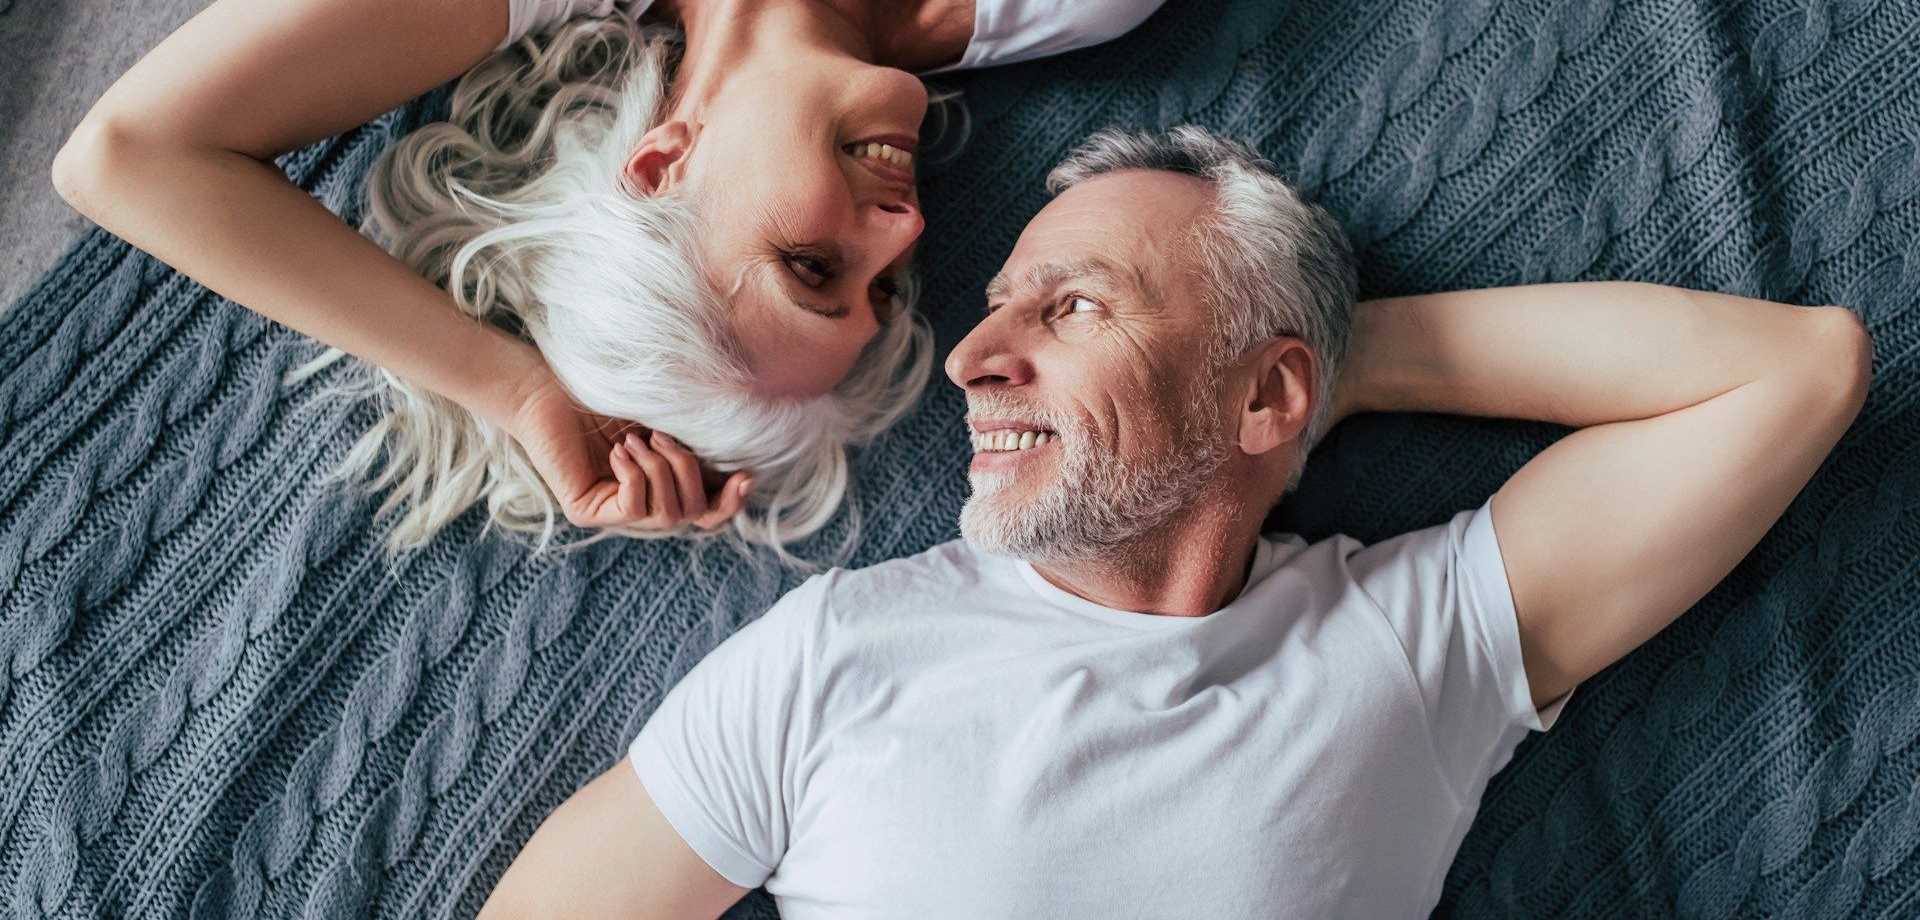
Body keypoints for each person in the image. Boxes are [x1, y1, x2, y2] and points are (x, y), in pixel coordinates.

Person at [48, 0, 1431, 556]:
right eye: (883, 290)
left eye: (814, 262)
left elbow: (130, 154)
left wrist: (517, 391)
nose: (903, 237)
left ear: (663, 160)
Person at [477, 125, 1872, 918]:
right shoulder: (832, 660)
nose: (973, 356)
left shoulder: (1406, 648)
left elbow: (1793, 372)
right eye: (998, 303)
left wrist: (1325, 362)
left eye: (1069, 305)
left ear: (1272, 395)